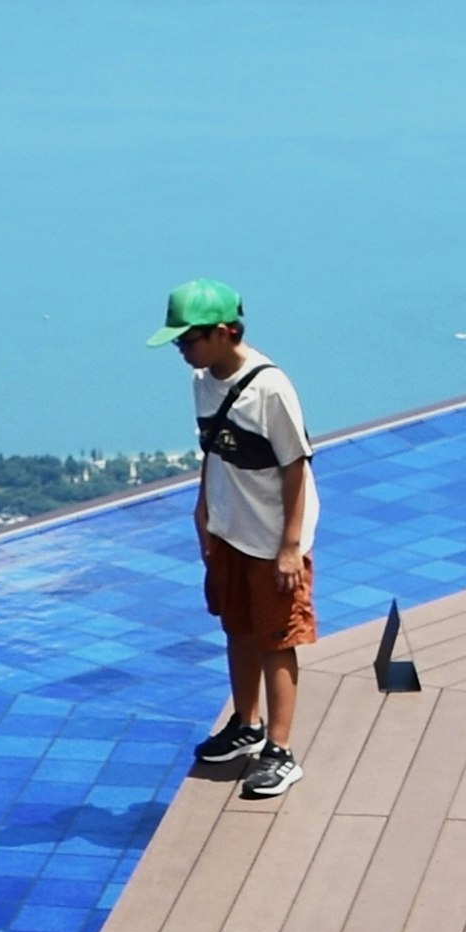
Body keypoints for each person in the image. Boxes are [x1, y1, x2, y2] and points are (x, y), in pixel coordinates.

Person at [153, 278, 311, 799]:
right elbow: (213, 451)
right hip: (228, 530)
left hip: (270, 538)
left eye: (189, 340)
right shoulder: (203, 381)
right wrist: (203, 513)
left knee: (276, 637)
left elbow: (295, 467)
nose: (183, 351)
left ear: (224, 333)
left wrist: (290, 546)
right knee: (237, 627)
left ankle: (281, 751)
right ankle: (247, 723)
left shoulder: (270, 388)